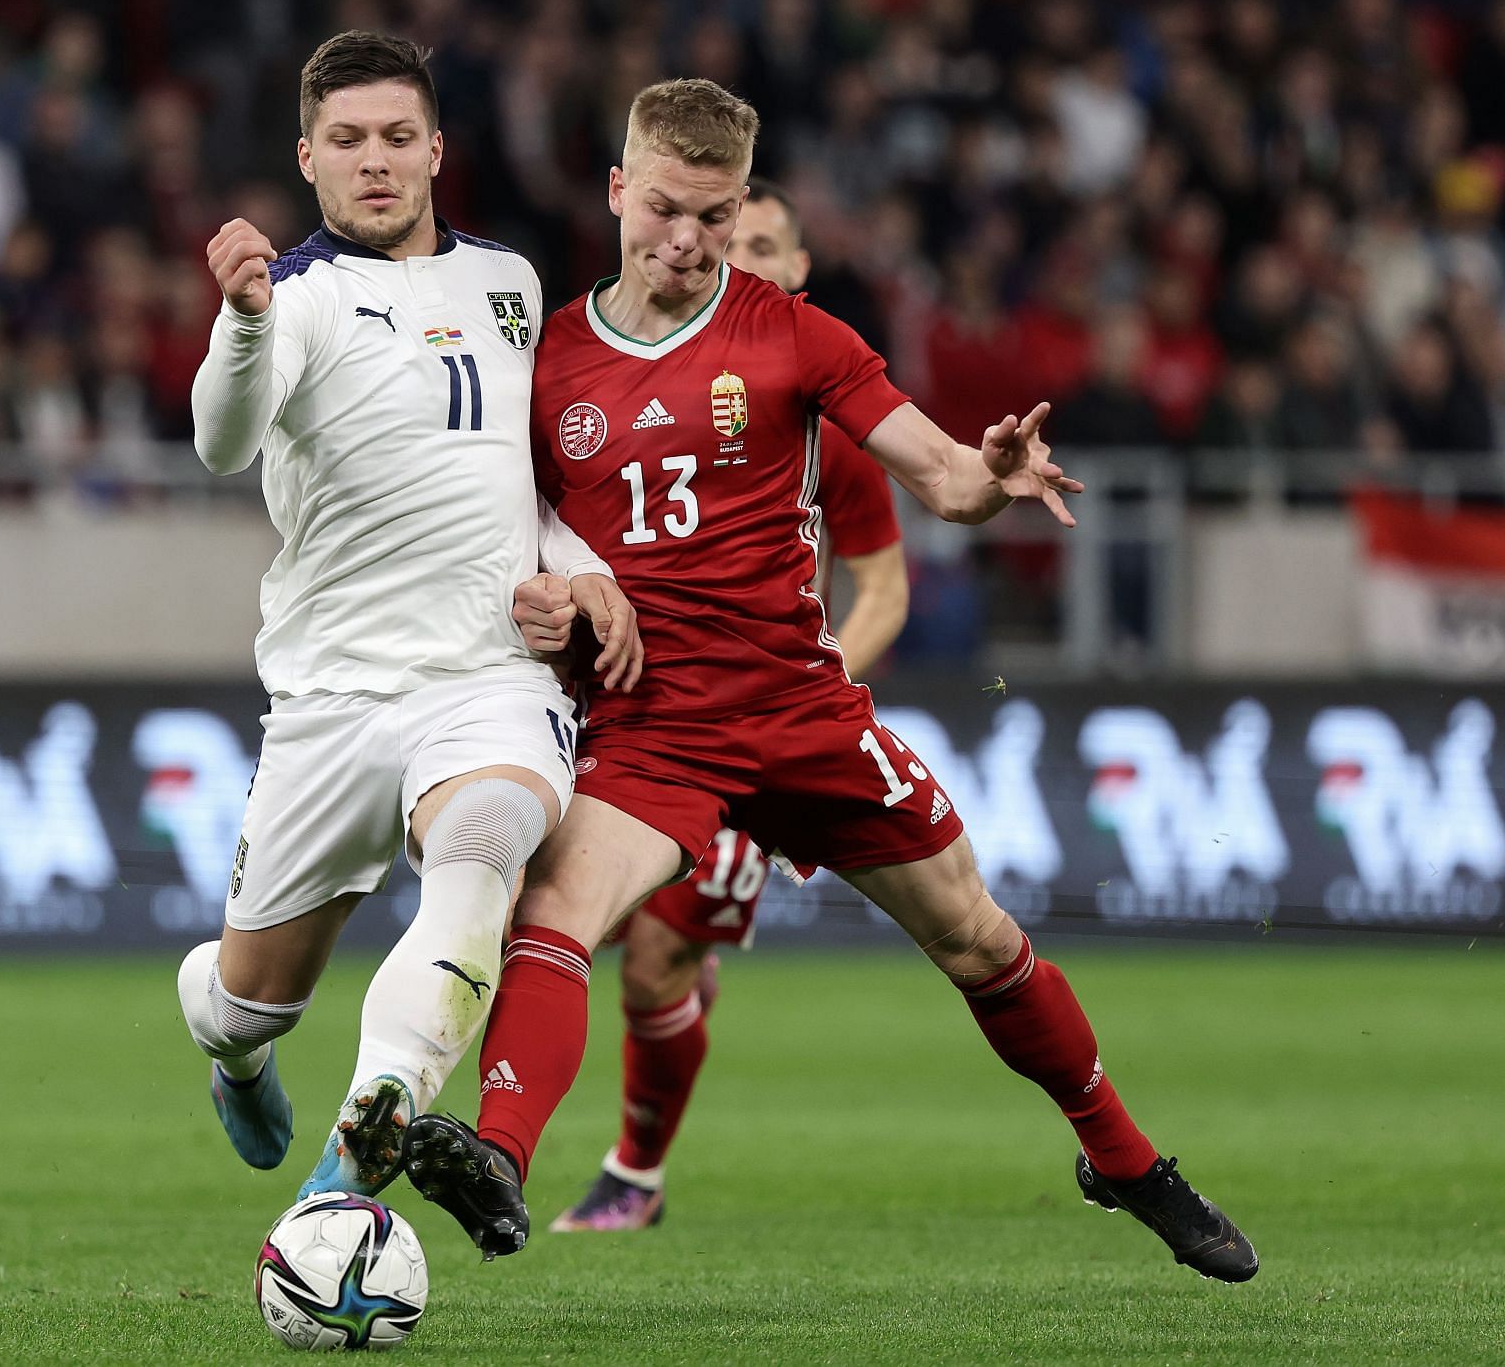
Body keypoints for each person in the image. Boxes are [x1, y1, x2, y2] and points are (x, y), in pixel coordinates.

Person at [402, 80, 1257, 1286]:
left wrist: (989, 473)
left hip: (802, 708)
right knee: (556, 914)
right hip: (654, 727)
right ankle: (498, 1158)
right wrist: (546, 602)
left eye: (712, 216)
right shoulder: (543, 360)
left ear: (742, 205)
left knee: (975, 937)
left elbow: (943, 480)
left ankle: (1120, 1157)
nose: (686, 242)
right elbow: (512, 538)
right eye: (663, 210)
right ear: (616, 191)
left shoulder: (798, 335)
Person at [174, 31, 642, 1204]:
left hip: (489, 675)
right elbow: (222, 443)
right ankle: (235, 1053)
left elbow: (527, 475)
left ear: (436, 148)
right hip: (334, 693)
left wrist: (578, 566)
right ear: (307, 159)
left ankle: (348, 1174)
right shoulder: (296, 300)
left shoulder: (511, 284)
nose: (373, 162)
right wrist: (237, 319)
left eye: (395, 138)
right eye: (346, 142)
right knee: (245, 1003)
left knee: (483, 848)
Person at [552, 178, 909, 1233]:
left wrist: (804, 682)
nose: (737, 259)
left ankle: (635, 1176)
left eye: (761, 245)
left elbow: (883, 586)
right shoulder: (615, 381)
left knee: (656, 953)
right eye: (723, 238)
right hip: (626, 720)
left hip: (759, 730)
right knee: (588, 930)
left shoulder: (825, 411)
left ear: (799, 272)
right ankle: (673, 1020)